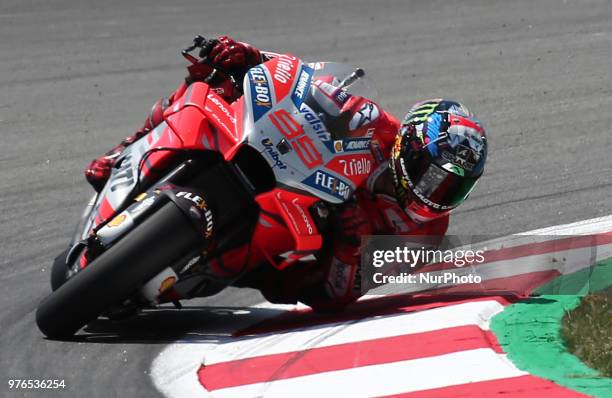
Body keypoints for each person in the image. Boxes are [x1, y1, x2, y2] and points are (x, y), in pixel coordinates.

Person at [85, 35, 487, 311]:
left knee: (267, 262)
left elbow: (337, 296)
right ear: (408, 145)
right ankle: (125, 148)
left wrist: (350, 240)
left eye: (453, 186)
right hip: (287, 178)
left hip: (302, 253)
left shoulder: (426, 235)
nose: (435, 191)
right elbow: (305, 82)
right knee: (207, 88)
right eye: (433, 174)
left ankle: (184, 266)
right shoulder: (377, 125)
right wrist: (250, 58)